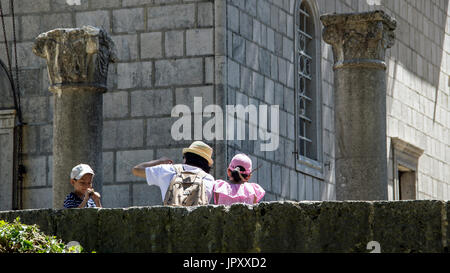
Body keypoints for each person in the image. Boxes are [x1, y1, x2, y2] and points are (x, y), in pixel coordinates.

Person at [132, 141, 217, 206]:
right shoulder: (208, 179)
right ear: (207, 164)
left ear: (186, 158)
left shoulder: (168, 170)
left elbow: (136, 170)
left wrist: (160, 162)